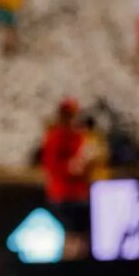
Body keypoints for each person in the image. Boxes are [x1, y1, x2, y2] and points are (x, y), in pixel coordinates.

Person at [41, 97, 93, 259]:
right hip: (63, 195)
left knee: (81, 236)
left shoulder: (79, 136)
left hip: (79, 194)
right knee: (71, 236)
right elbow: (51, 166)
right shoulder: (56, 137)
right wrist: (70, 167)